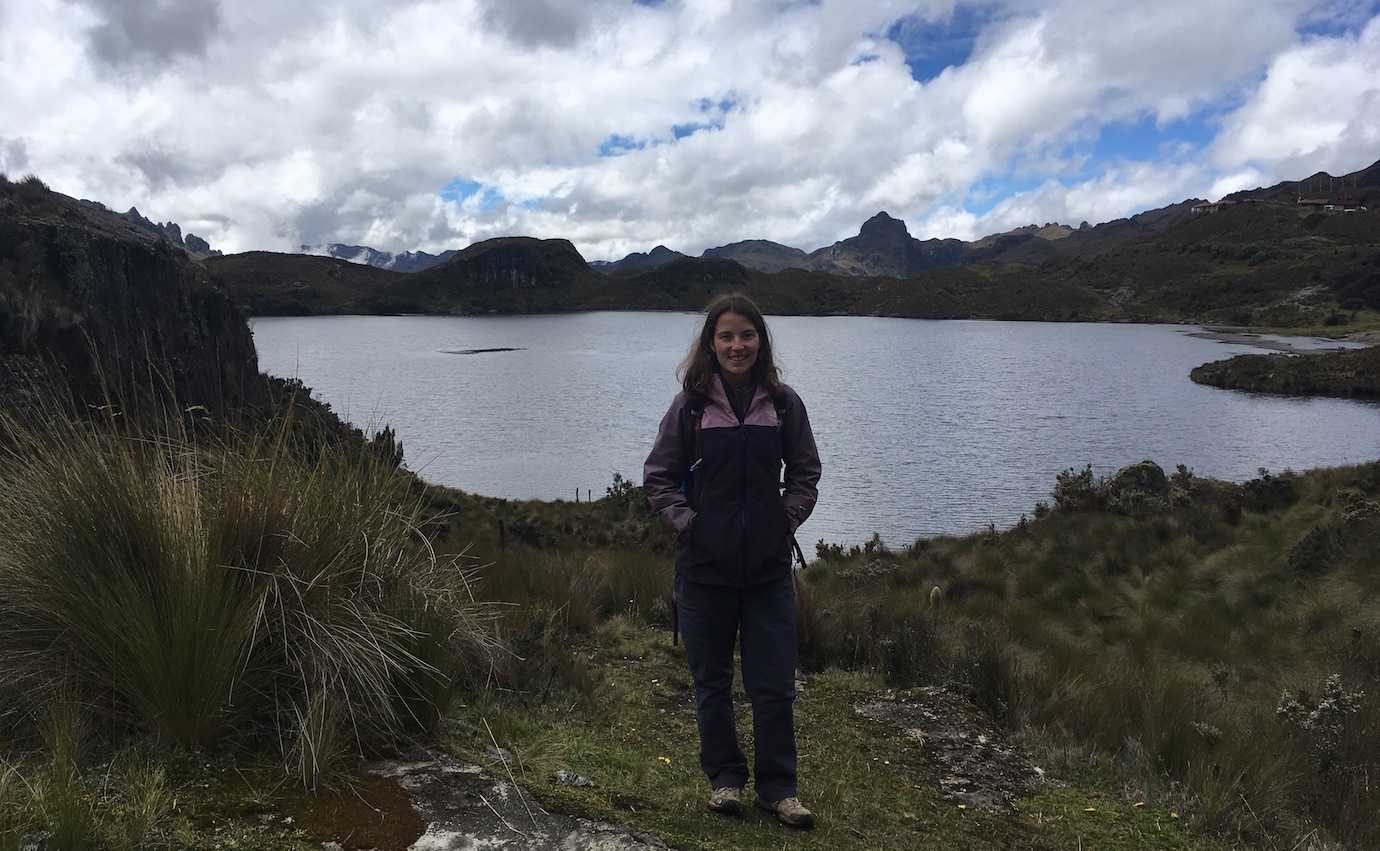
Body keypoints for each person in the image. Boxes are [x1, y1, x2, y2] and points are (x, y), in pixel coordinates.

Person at [642, 292, 822, 829]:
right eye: (726, 336)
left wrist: (783, 521)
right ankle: (724, 781)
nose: (737, 345)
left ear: (760, 341)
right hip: (704, 572)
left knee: (773, 683)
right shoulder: (691, 406)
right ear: (711, 344)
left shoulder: (784, 403)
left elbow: (806, 472)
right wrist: (691, 526)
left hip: (767, 571)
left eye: (747, 335)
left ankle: (779, 790)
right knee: (712, 682)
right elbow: (658, 477)